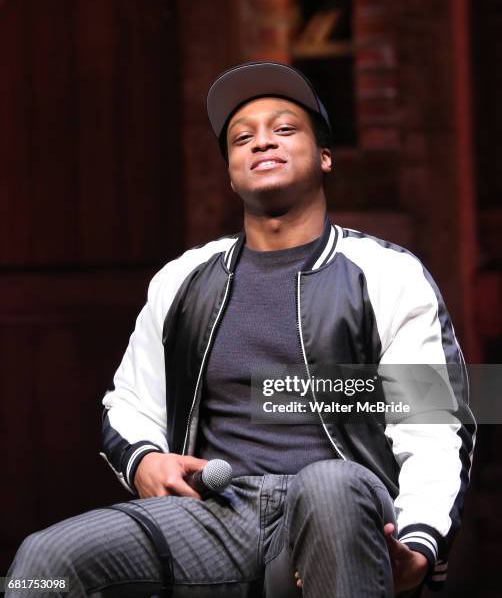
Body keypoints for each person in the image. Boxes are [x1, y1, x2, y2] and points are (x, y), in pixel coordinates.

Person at [6, 61, 476, 598]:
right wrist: (145, 459)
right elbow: (129, 402)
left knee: (328, 483)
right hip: (217, 514)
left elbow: (437, 426)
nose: (260, 143)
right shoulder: (183, 279)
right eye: (241, 138)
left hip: (339, 512)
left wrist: (421, 543)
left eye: (283, 129)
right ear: (230, 173)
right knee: (43, 561)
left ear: (324, 157)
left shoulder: (388, 274)